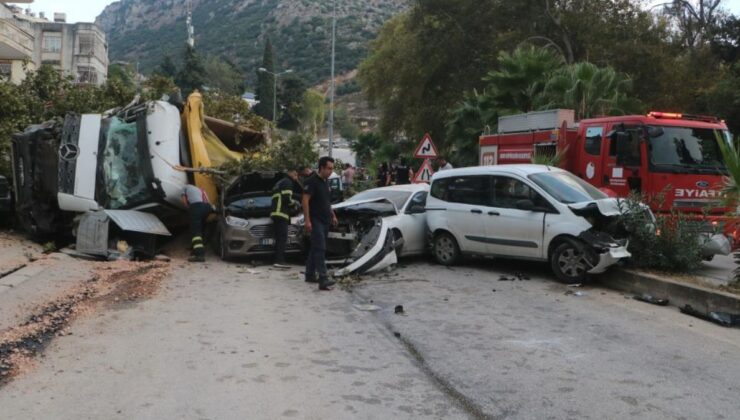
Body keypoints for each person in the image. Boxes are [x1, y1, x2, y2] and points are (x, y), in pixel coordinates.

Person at [302, 156, 339, 291]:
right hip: (315, 219)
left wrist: (333, 215)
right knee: (320, 248)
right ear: (321, 168)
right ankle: (323, 278)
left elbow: (326, 202)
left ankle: (310, 274)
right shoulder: (312, 181)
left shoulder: (325, 182)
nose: (330, 171)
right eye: (328, 168)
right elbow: (305, 201)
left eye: (332, 169)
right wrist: (307, 220)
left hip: (325, 220)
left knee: (315, 248)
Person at [271, 169, 301, 269]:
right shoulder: (288, 182)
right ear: (290, 173)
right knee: (282, 238)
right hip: (281, 213)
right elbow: (287, 199)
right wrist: (295, 204)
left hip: (275, 213)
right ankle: (279, 261)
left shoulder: (279, 182)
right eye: (296, 175)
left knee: (278, 238)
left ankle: (276, 259)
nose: (296, 178)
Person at [182, 184, 214, 262]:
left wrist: (190, 210)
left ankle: (199, 255)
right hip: (208, 207)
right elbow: (208, 201)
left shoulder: (184, 187)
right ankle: (196, 248)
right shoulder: (200, 189)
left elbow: (184, 201)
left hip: (196, 207)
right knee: (201, 228)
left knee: (195, 232)